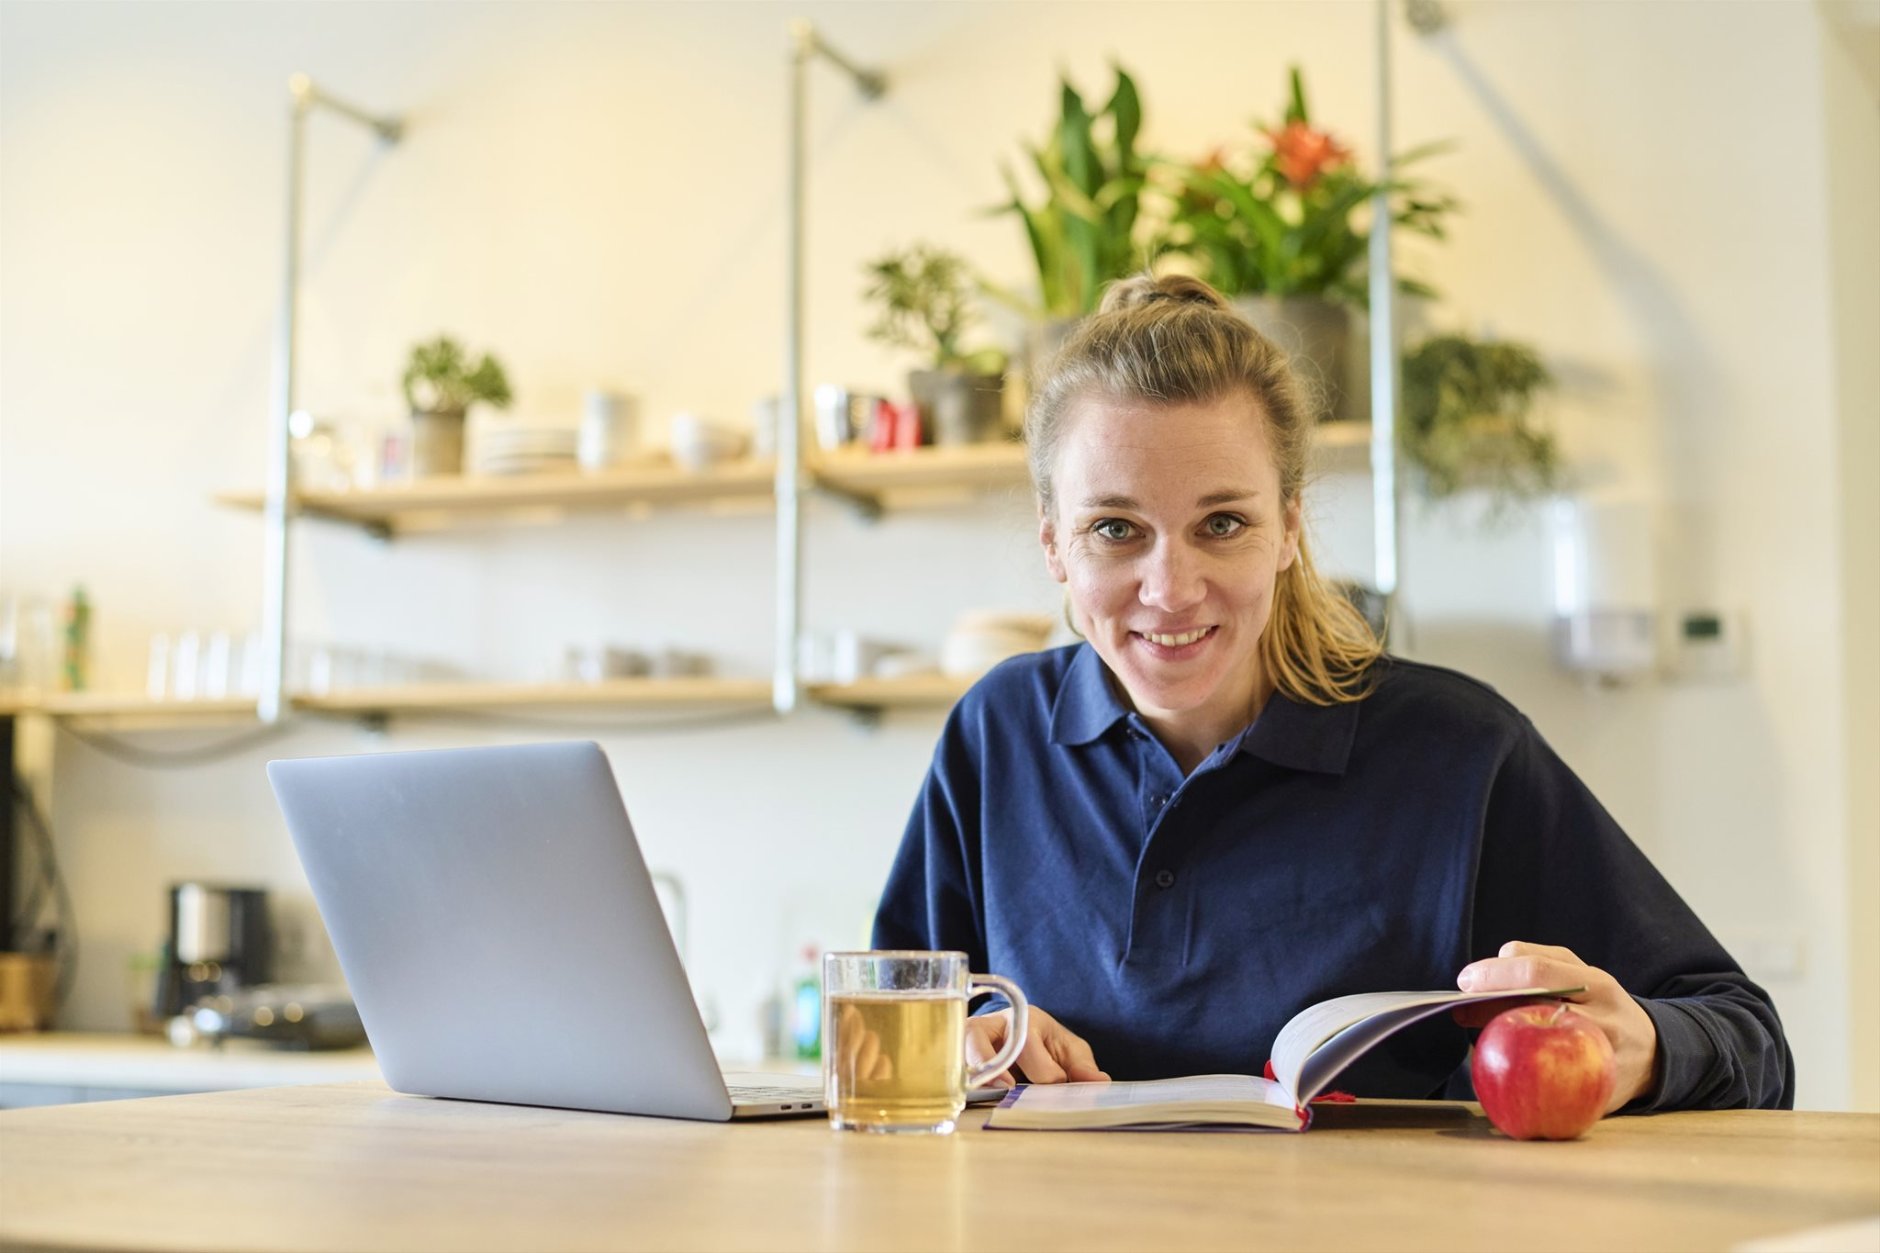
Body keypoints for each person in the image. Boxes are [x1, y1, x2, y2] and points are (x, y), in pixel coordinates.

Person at [871, 274, 1793, 1112]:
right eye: (1115, 528)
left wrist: (1640, 1047)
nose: (1171, 588)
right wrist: (953, 1042)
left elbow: (1750, 1037)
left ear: (1288, 529)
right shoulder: (996, 732)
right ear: (1053, 546)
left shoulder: (1459, 750)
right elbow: (882, 1036)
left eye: (1222, 522)